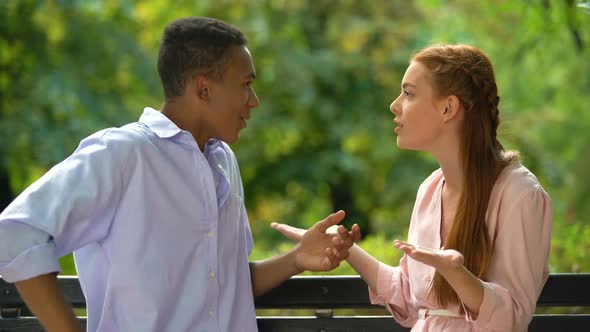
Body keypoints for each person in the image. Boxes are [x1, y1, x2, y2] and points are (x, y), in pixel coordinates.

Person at [0, 17, 358, 332]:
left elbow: (222, 287)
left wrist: (296, 259)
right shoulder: (123, 154)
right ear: (203, 89)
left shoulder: (223, 160)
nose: (254, 100)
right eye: (246, 84)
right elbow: (14, 234)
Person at [273, 44, 552, 331]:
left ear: (448, 108)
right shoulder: (431, 189)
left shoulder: (520, 193)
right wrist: (345, 247)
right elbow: (409, 301)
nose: (395, 105)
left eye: (409, 93)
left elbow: (513, 319)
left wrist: (456, 274)